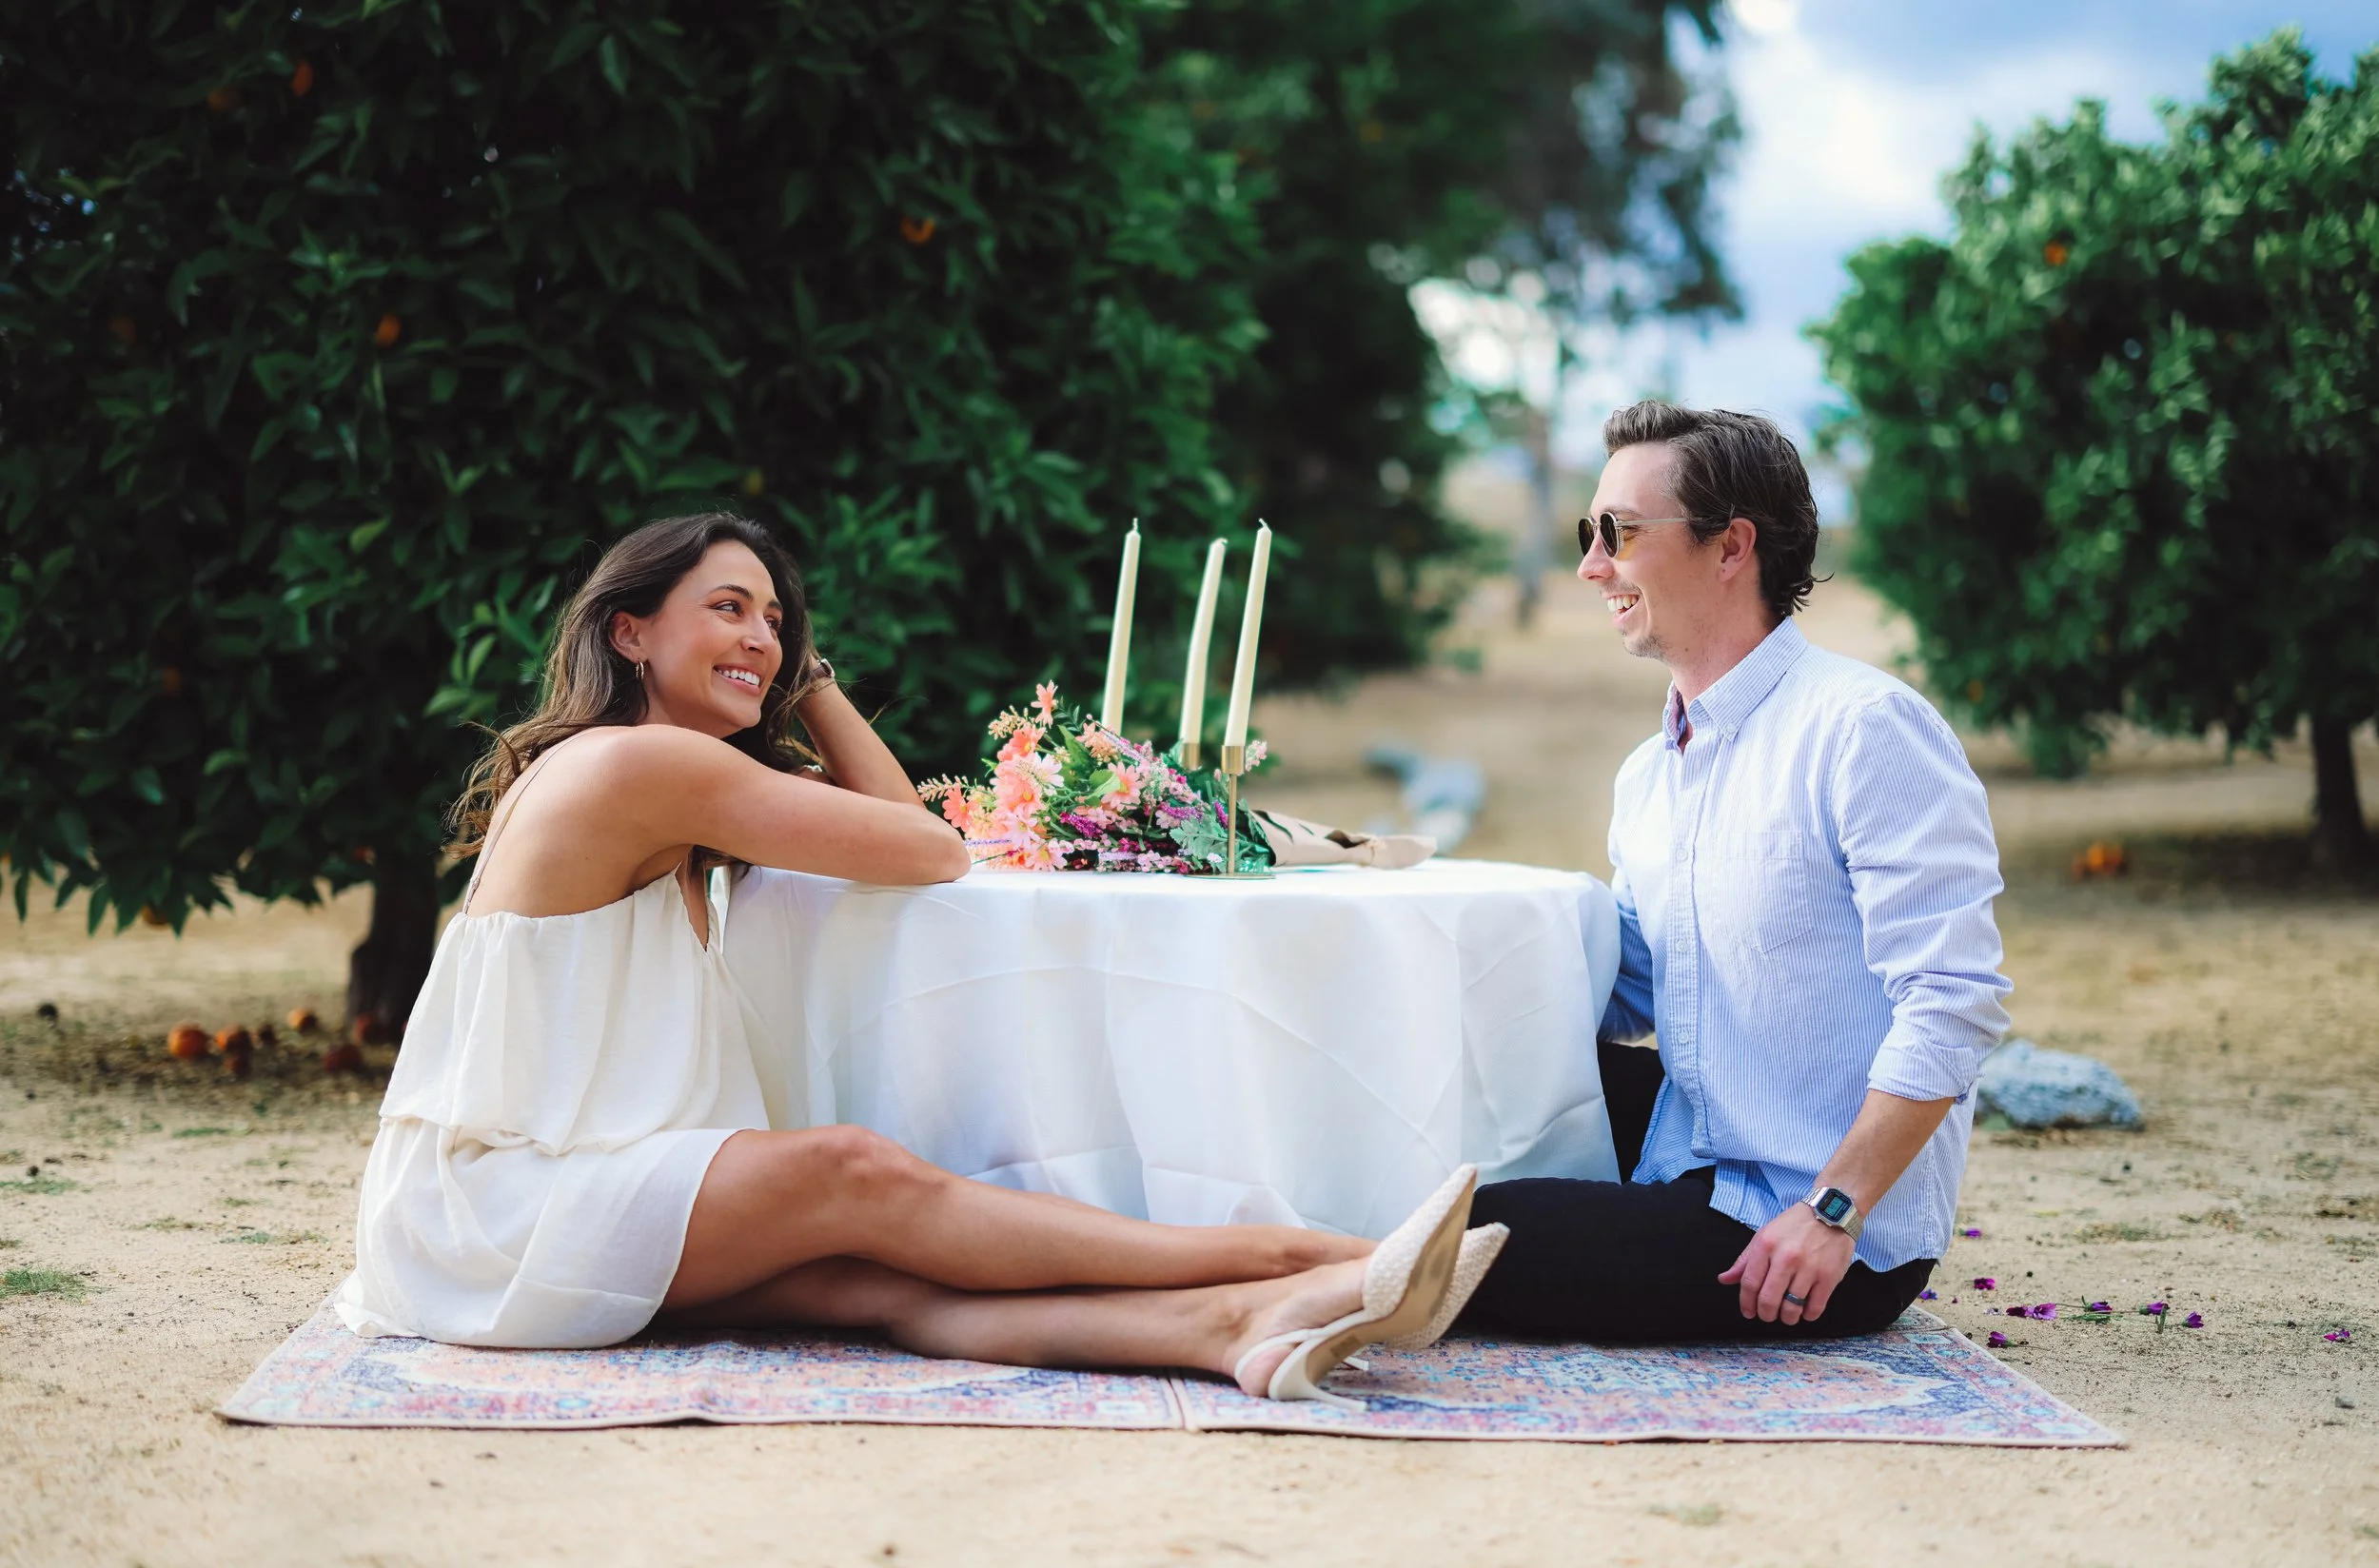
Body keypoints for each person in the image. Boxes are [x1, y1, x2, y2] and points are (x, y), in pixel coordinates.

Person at [334, 511, 1493, 1403]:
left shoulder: (685, 783)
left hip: (554, 1192)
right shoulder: (639, 767)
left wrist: (806, 680)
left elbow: (903, 840)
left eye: (777, 620)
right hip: (500, 1202)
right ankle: (1314, 1251)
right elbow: (931, 847)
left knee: (877, 1280)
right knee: (853, 1173)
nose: (761, 636)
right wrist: (812, 684)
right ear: (629, 630)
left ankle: (1236, 1327)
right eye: (728, 607)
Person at [1459, 402, 2013, 1342]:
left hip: (1811, 1227)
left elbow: (1953, 998)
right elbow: (1630, 990)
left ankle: (1227, 1301)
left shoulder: (1862, 730)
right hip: (1695, 1142)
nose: (1591, 564)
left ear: (1730, 548)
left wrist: (1833, 1211)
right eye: (1587, 532)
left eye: (1618, 532)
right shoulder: (1652, 771)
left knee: (1466, 1235)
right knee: (1447, 1083)